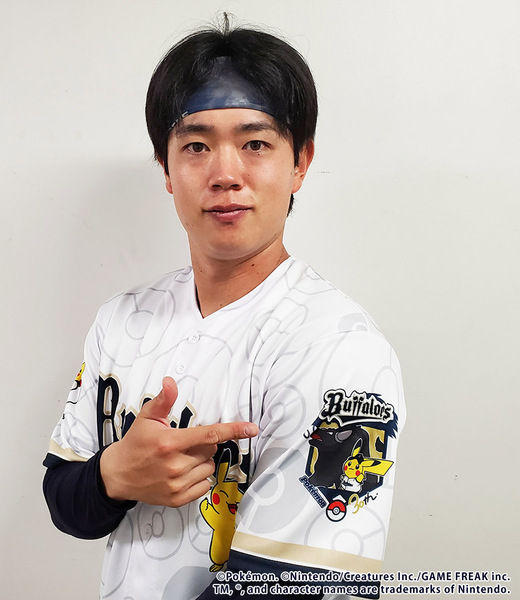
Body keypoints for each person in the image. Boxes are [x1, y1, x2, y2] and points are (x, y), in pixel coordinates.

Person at [43, 18, 405, 600]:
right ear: (166, 168)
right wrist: (113, 475)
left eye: (255, 143)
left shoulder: (338, 345)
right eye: (196, 146)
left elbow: (296, 585)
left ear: (301, 162)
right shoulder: (122, 318)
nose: (224, 174)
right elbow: (64, 499)